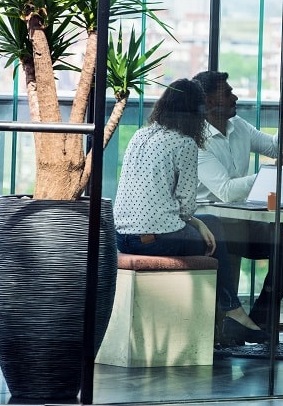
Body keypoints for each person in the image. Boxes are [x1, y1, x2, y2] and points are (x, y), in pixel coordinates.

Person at [113, 78, 268, 345]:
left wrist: (196, 222)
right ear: (197, 111)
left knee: (210, 224)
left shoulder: (142, 134)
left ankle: (230, 315)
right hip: (156, 239)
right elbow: (186, 205)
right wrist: (196, 222)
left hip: (122, 236)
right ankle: (233, 313)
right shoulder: (185, 143)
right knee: (215, 229)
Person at [192, 71, 283, 340]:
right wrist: (269, 173)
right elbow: (226, 191)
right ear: (210, 101)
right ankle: (252, 326)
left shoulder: (238, 126)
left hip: (237, 222)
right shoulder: (197, 140)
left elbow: (275, 149)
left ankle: (260, 321)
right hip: (208, 225)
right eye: (227, 92)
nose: (234, 96)